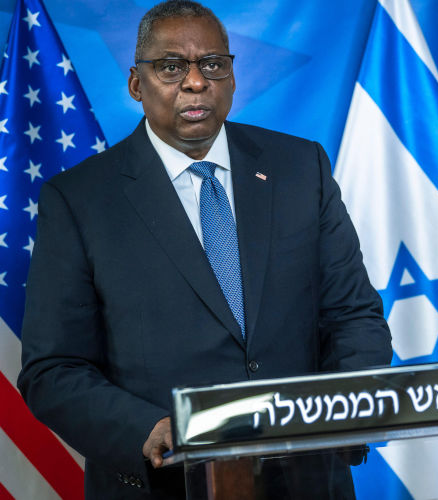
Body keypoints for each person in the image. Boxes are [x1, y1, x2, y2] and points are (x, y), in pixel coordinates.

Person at [17, 1, 392, 498]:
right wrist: (147, 430)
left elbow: (355, 316)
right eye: (171, 67)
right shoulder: (80, 201)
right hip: (165, 483)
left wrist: (344, 410)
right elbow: (52, 370)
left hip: (307, 480)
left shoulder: (302, 168)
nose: (195, 83)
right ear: (136, 84)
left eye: (212, 64)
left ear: (232, 77)